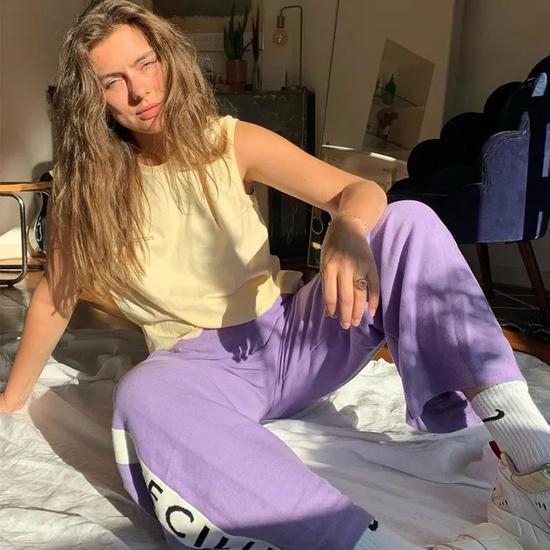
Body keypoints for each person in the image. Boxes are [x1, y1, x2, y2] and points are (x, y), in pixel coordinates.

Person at [2, 1, 549, 549]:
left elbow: (358, 191)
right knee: (141, 396)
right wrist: (10, 403)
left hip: (289, 339)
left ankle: (535, 473)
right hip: (197, 369)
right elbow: (55, 296)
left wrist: (348, 228)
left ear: (167, 59)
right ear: (90, 99)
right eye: (113, 81)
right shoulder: (86, 192)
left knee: (409, 221)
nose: (140, 90)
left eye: (146, 63)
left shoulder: (228, 140)